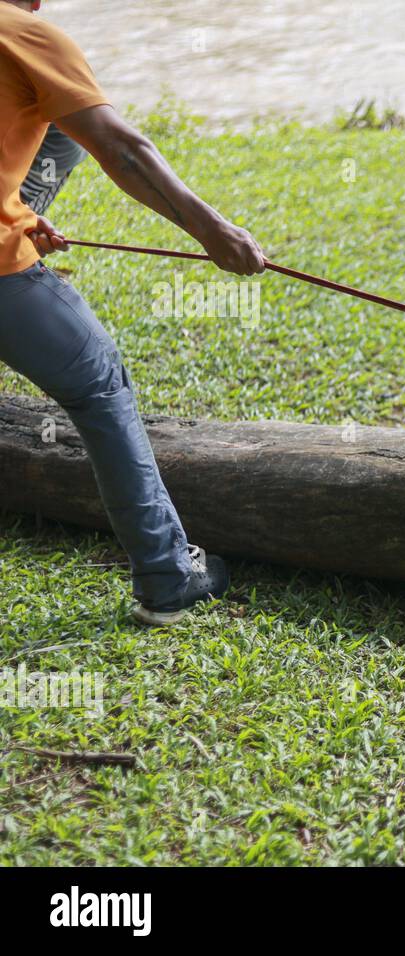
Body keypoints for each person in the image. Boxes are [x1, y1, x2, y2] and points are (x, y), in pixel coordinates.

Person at [0, 0, 264, 624]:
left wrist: (23, 212)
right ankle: (168, 573)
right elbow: (121, 147)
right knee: (98, 383)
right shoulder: (28, 34)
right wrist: (213, 230)